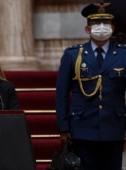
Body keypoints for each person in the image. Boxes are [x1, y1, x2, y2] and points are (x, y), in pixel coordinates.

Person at [56, 2, 126, 170]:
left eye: (106, 24)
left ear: (113, 28)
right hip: (82, 127)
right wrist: (63, 127)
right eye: (96, 24)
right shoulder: (73, 55)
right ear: (87, 29)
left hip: (113, 127)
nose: (101, 28)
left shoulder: (124, 54)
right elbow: (62, 94)